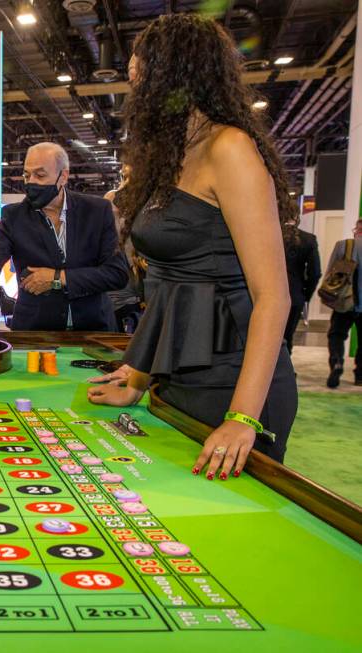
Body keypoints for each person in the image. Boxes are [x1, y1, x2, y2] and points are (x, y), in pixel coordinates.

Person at [87, 14, 297, 476]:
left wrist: (243, 419)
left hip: (232, 378)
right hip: (179, 371)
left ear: (174, 73)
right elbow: (169, 288)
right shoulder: (170, 156)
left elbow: (273, 298)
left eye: (141, 67)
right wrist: (138, 378)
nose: (132, 78)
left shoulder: (229, 147)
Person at [0, 143, 128, 330]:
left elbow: (116, 274)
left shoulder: (97, 211)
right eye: (26, 175)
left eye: (40, 175)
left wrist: (58, 278)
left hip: (92, 329)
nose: (31, 182)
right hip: (34, 333)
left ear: (63, 176)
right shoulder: (15, 216)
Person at [105, 165, 144, 333]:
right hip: (118, 290)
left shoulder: (150, 202)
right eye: (124, 177)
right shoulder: (112, 199)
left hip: (143, 286)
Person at [324, 219, 362, 387]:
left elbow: (330, 273)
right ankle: (360, 375)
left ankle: (337, 362)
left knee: (336, 335)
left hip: (344, 301)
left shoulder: (344, 246)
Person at [283, 225, 321, 352]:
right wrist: (306, 294)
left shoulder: (265, 233)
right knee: (287, 337)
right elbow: (315, 272)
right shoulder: (308, 239)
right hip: (294, 293)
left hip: (263, 293)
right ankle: (285, 370)